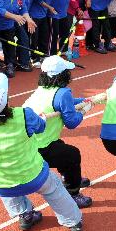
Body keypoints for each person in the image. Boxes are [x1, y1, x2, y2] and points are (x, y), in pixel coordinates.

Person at [0, 72, 84, 231]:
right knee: (53, 186)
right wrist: (42, 119)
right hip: (32, 176)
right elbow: (41, 127)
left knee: (6, 184)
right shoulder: (23, 115)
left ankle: (25, 215)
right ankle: (73, 221)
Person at [23, 56, 93, 207]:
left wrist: (82, 100)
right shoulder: (62, 93)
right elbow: (72, 123)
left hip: (29, 143)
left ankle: (69, 176)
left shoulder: (41, 90)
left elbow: (64, 103)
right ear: (63, 75)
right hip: (39, 148)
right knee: (72, 154)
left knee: (60, 146)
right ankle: (73, 192)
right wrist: (84, 111)